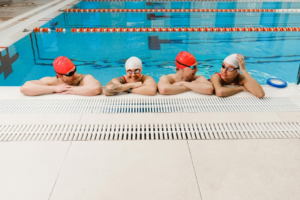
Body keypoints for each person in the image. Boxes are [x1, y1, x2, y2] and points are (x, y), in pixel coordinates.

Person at [20, 56, 102, 96]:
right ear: (60, 76)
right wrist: (55, 88)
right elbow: (25, 88)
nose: (75, 75)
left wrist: (68, 90)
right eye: (70, 74)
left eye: (74, 70)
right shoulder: (51, 81)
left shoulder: (84, 78)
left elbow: (96, 89)